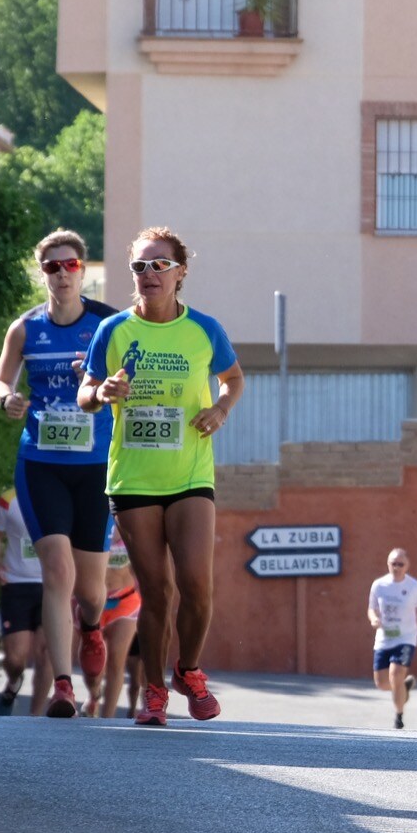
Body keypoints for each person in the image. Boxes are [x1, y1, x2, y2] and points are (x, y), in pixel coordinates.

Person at [78, 227, 244, 727]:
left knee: (196, 585)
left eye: (159, 265)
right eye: (139, 267)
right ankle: (153, 692)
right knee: (157, 591)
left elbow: (233, 379)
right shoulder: (115, 331)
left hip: (190, 471)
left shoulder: (204, 329)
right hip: (133, 479)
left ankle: (188, 671)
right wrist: (102, 391)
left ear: (180, 272)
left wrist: (220, 409)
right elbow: (85, 396)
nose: (149, 275)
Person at [0, 229, 119, 718]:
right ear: (41, 272)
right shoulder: (25, 328)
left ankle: (92, 626)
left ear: (82, 271)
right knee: (57, 571)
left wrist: (113, 387)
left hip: (95, 465)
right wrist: (7, 396)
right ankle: (63, 684)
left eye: (70, 266)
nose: (61, 274)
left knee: (90, 590)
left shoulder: (107, 323)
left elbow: (133, 371)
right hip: (41, 462)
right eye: (51, 267)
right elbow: (2, 376)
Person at [0, 485, 54, 716]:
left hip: (51, 585)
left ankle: (35, 717)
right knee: (15, 659)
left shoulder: (61, 496)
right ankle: (13, 684)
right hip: (16, 585)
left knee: (47, 653)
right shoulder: (7, 500)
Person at [367, 548, 417, 729]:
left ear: (407, 566)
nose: (396, 567)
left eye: (400, 564)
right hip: (384, 638)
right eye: (393, 564)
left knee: (395, 673)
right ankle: (403, 688)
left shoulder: (413, 587)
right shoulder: (379, 585)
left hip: (406, 637)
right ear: (388, 564)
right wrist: (374, 618)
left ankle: (399, 717)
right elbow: (372, 608)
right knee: (381, 683)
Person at [80, 525, 140, 718]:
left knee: (116, 660)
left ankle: (108, 718)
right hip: (95, 601)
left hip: (126, 599)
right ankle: (94, 694)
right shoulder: (90, 517)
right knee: (94, 671)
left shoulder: (128, 519)